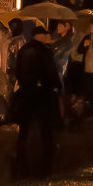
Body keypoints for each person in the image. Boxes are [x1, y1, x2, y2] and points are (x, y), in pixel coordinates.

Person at [12, 25, 62, 176]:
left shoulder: (24, 50)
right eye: (45, 35)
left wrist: (23, 82)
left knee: (25, 121)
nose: (48, 37)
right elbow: (50, 71)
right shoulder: (43, 51)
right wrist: (56, 85)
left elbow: (18, 69)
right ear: (39, 35)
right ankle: (48, 146)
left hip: (26, 89)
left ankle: (21, 144)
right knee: (45, 120)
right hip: (41, 90)